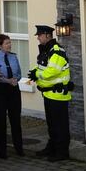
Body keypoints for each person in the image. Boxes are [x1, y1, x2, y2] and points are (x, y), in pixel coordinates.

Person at [31, 25, 72, 161]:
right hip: (49, 94)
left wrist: (36, 74)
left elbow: (51, 71)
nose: (37, 37)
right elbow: (42, 67)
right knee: (52, 125)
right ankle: (52, 148)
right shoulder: (47, 51)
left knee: (60, 126)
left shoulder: (56, 51)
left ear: (47, 35)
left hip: (58, 95)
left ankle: (62, 153)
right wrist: (35, 71)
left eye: (39, 35)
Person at [0, 33, 24, 158]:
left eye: (10, 42)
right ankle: (2, 151)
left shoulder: (14, 57)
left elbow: (19, 72)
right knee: (0, 121)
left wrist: (15, 79)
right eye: (7, 43)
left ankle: (19, 148)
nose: (10, 45)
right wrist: (8, 81)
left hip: (13, 89)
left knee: (15, 120)